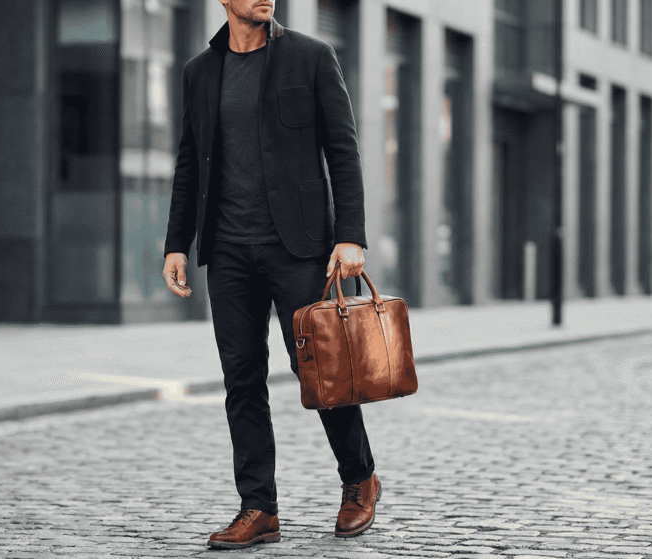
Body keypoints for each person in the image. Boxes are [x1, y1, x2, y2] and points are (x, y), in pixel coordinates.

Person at [162, 0, 379, 550]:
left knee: (322, 372)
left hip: (299, 248)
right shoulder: (200, 71)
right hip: (229, 250)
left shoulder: (311, 57)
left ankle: (359, 479)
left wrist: (349, 235)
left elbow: (343, 150)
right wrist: (176, 244)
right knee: (241, 380)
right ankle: (259, 508)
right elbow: (190, 160)